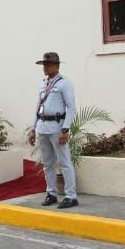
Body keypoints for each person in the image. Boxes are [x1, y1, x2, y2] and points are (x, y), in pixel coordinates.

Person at [27, 52, 78, 209]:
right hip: (43, 127)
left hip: (57, 127)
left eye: (48, 64)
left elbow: (71, 108)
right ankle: (51, 193)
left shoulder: (64, 83)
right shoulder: (44, 83)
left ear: (56, 66)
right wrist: (33, 128)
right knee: (48, 163)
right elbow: (38, 107)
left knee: (64, 162)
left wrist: (65, 129)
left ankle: (71, 196)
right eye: (44, 64)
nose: (45, 67)